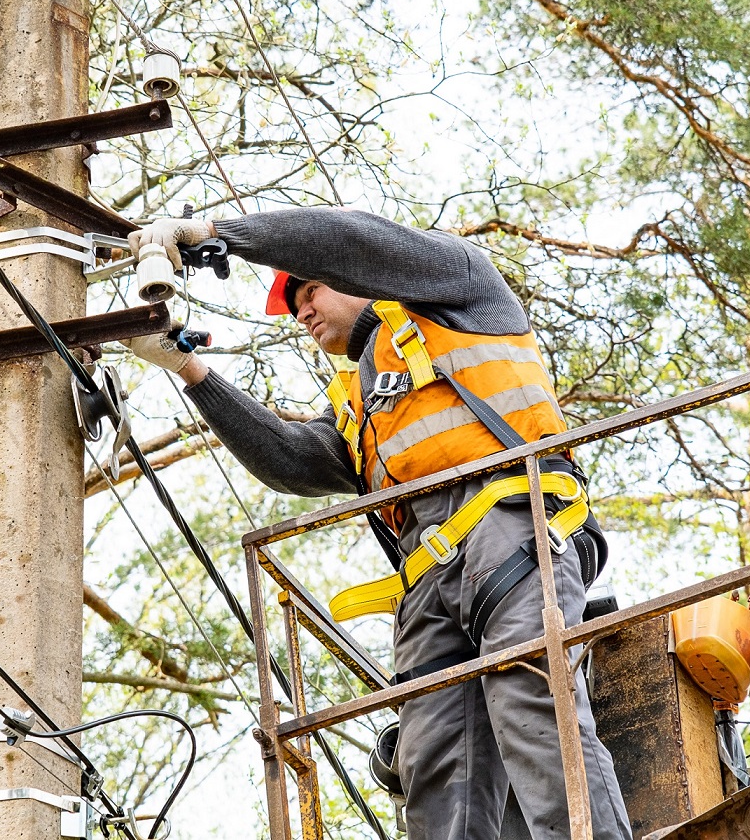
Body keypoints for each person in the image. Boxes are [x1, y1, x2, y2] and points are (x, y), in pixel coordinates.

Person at [123, 208, 631, 840]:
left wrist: (217, 234)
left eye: (309, 289)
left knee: (534, 706)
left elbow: (352, 239)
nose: (301, 312)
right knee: (435, 762)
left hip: (512, 526)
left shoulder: (460, 292)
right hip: (427, 578)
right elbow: (287, 459)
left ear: (357, 277)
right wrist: (188, 369)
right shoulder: (363, 406)